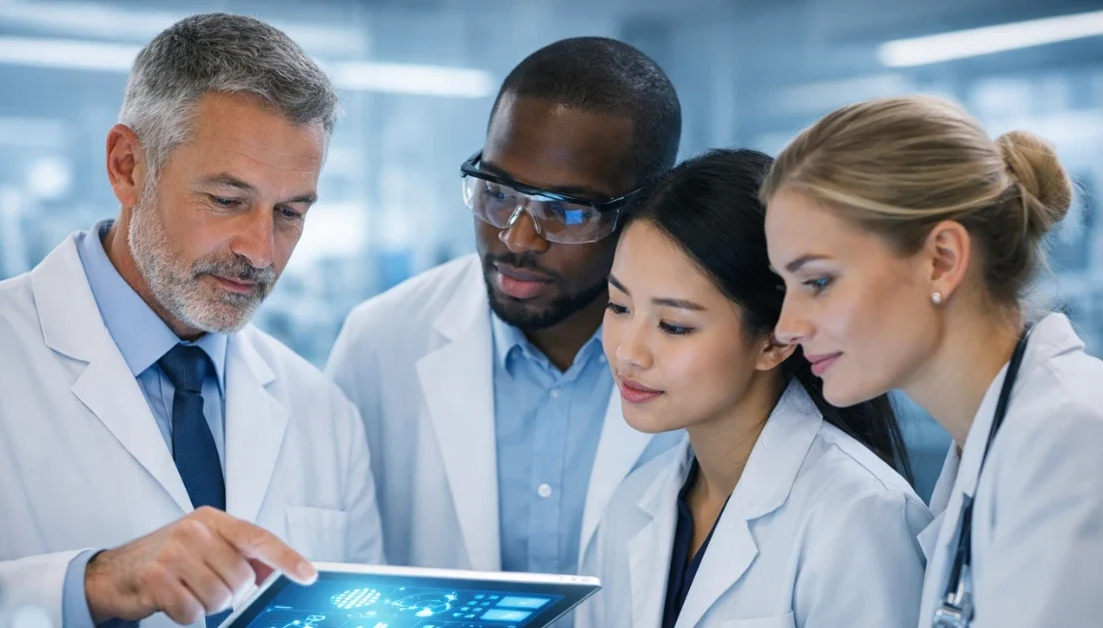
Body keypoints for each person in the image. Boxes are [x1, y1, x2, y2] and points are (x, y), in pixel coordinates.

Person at [0, 13, 383, 628]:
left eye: (289, 212)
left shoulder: (323, 414)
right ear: (127, 165)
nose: (260, 252)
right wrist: (94, 583)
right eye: (227, 201)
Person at [324, 36, 682, 620]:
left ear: (643, 209)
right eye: (496, 193)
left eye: (566, 211)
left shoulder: (702, 357)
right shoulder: (381, 342)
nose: (517, 239)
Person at [762, 94, 1103, 627]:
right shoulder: (990, 446)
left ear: (942, 261)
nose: (788, 326)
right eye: (785, 286)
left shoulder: (1072, 441)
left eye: (818, 282)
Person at [585, 149, 930, 628]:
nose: (629, 353)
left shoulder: (860, 516)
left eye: (674, 325)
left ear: (774, 340)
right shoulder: (632, 507)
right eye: (619, 307)